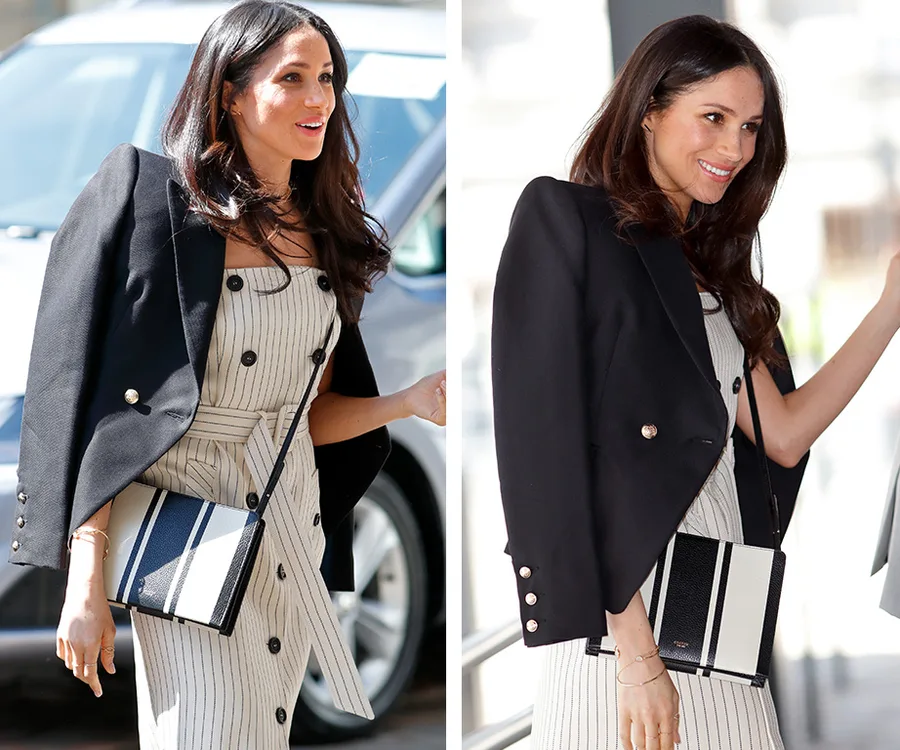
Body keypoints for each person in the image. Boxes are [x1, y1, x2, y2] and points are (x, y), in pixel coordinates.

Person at [8, 1, 446, 747]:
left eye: (329, 79)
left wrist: (403, 402)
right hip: (189, 535)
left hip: (289, 528)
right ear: (231, 93)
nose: (319, 99)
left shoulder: (327, 227)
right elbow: (86, 402)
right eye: (293, 79)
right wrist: (85, 578)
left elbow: (301, 419)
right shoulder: (152, 205)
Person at [491, 14, 900, 750]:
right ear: (650, 109)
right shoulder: (566, 220)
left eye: (749, 127)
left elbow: (783, 435)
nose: (735, 148)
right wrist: (638, 656)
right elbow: (548, 457)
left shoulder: (705, 268)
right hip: (623, 623)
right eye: (712, 118)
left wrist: (888, 308)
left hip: (711, 611)